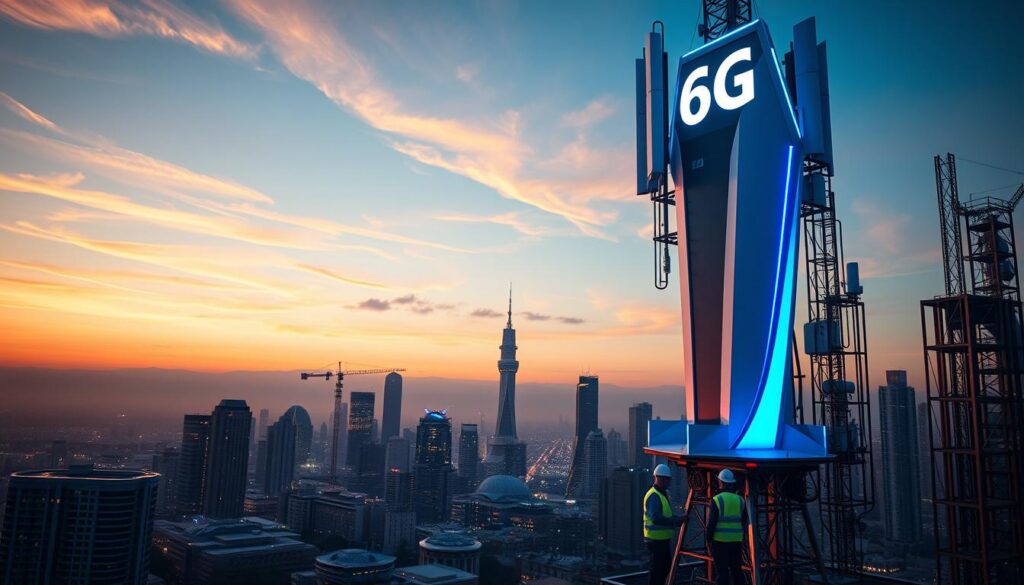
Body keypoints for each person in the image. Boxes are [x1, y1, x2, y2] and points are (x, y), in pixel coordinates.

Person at [706, 469, 748, 585]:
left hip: (720, 542)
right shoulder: (741, 500)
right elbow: (744, 520)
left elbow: (712, 523)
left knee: (722, 573)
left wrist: (708, 539)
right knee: (737, 572)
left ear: (721, 483)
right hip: (736, 542)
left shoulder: (717, 500)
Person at [644, 463, 683, 585]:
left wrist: (677, 519)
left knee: (664, 568)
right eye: (666, 479)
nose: (668, 482)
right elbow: (656, 518)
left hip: (662, 540)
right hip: (655, 540)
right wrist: (675, 521)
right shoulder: (654, 495)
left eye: (668, 479)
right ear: (658, 478)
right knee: (657, 571)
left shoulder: (662, 494)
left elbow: (664, 516)